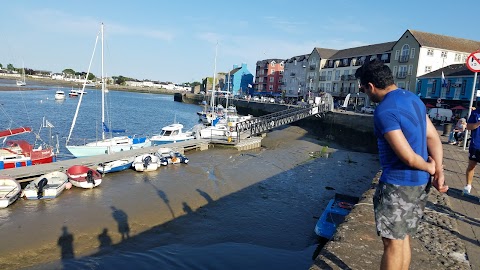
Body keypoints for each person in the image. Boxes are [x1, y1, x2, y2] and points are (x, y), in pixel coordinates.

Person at [355, 59, 448, 270]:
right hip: (418, 185)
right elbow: (433, 138)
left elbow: (407, 156)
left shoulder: (385, 110)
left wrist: (430, 168)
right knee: (403, 236)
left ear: (371, 86)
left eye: (363, 89)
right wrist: (438, 170)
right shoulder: (413, 99)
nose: (365, 94)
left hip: (398, 184)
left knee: (392, 243)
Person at [465, 108, 480, 195]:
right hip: (476, 145)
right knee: (471, 166)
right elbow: (468, 127)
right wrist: (478, 123)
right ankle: (468, 185)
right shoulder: (475, 113)